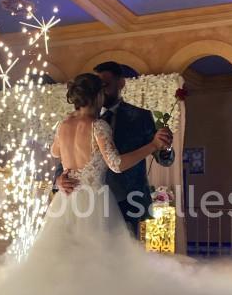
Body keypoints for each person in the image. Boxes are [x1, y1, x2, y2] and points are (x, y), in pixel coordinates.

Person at [39, 73, 173, 251]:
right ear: (98, 96)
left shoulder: (63, 124)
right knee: (103, 256)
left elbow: (55, 151)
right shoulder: (98, 126)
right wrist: (153, 145)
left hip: (67, 202)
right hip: (95, 202)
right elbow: (116, 165)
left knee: (67, 253)